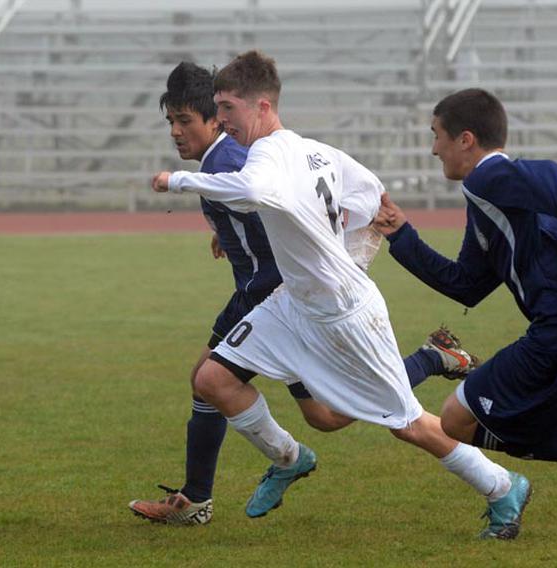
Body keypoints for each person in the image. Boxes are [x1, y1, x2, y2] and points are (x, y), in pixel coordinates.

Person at [149, 51, 529, 540]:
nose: (221, 119)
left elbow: (252, 190)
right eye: (218, 108)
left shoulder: (266, 156)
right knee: (213, 379)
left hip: (343, 312)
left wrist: (174, 180)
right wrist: (341, 251)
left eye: (227, 108)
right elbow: (370, 194)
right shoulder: (317, 151)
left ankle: (502, 486)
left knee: (406, 424)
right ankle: (289, 460)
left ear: (262, 106)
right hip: (293, 304)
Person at [373, 87, 557, 526]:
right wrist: (402, 236)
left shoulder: (488, 177)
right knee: (543, 419)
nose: (433, 148)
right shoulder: (490, 201)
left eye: (437, 135)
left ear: (466, 140)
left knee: (458, 417)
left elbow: (552, 177)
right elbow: (467, 285)